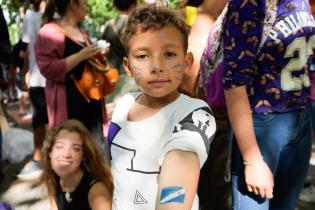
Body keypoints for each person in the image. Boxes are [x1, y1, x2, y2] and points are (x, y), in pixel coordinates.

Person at [107, 4, 216, 210]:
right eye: (142, 56)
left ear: (186, 62)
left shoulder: (195, 114)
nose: (156, 66)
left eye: (169, 54)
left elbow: (179, 171)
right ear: (127, 66)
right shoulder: (123, 106)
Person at [223, 0, 314, 209]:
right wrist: (252, 160)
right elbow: (234, 83)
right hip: (260, 124)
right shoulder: (250, 3)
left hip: (300, 117)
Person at [35, 0, 108, 157]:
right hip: (69, 109)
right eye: (84, 3)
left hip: (92, 107)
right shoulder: (49, 31)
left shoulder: (82, 31)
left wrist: (97, 54)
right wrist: (81, 55)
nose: (87, 6)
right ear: (73, 4)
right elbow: (48, 69)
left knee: (96, 160)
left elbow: (85, 64)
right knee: (73, 161)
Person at [41, 119, 113, 210]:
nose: (66, 154)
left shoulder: (97, 192)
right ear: (49, 152)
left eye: (76, 148)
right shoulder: (53, 180)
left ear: (84, 156)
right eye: (59, 146)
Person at [17, 0, 48, 179]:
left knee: (55, 120)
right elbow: (28, 48)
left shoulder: (57, 13)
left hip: (53, 75)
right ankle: (38, 158)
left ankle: (50, 158)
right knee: (38, 121)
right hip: (38, 76)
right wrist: (26, 72)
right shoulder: (30, 16)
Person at [102, 0, 138, 104]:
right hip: (131, 77)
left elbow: (103, 51)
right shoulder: (136, 26)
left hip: (111, 77)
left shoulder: (109, 25)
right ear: (133, 4)